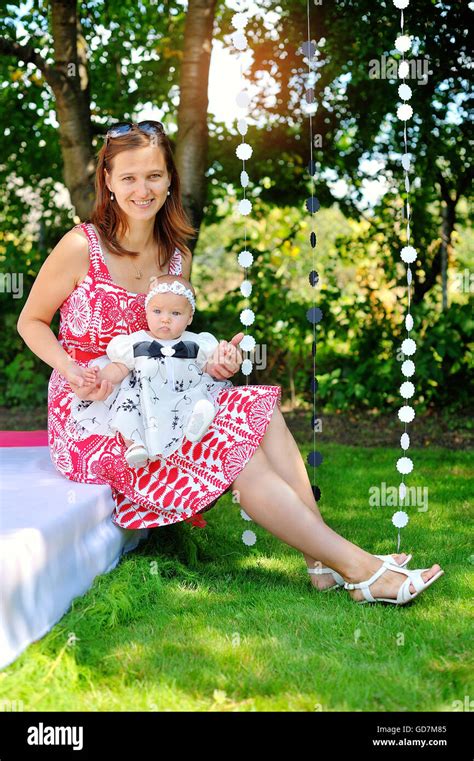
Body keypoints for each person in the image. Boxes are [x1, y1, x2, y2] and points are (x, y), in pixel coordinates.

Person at [17, 119, 443, 605]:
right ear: (108, 181)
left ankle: (324, 561)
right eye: (129, 177)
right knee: (242, 454)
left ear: (170, 180)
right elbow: (30, 321)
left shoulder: (177, 256)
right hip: (96, 410)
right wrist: (69, 368)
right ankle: (361, 570)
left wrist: (214, 364)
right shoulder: (80, 246)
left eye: (154, 175)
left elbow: (175, 339)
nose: (142, 189)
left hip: (168, 391)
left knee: (258, 412)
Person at [70, 273, 232, 469]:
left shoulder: (196, 343)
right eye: (157, 311)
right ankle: (135, 444)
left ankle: (193, 425)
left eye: (175, 314)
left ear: (189, 318)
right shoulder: (134, 343)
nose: (165, 319)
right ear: (146, 312)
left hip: (182, 393)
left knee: (198, 398)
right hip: (145, 396)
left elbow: (209, 369)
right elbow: (119, 368)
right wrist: (100, 377)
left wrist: (222, 360)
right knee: (127, 405)